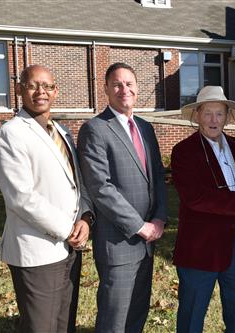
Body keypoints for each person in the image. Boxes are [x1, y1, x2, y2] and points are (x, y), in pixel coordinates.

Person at [0, 65, 94, 333]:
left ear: (55, 91)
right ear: (19, 89)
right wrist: (67, 228)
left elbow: (76, 183)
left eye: (47, 86)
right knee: (41, 327)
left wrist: (84, 217)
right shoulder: (10, 134)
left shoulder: (61, 131)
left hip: (69, 248)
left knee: (64, 325)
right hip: (37, 252)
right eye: (33, 85)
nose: (41, 92)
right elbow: (21, 197)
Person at [77, 62, 167, 333]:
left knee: (137, 314)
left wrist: (160, 218)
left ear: (137, 89)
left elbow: (158, 178)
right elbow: (100, 188)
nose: (123, 89)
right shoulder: (95, 129)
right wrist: (140, 226)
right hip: (119, 242)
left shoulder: (145, 128)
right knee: (114, 320)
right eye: (116, 84)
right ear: (106, 89)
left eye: (129, 83)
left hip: (148, 242)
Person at [171, 86, 235, 333]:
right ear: (197, 115)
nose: (213, 120)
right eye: (208, 113)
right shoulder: (184, 152)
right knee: (192, 316)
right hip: (200, 248)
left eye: (219, 114)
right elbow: (194, 197)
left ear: (227, 116)